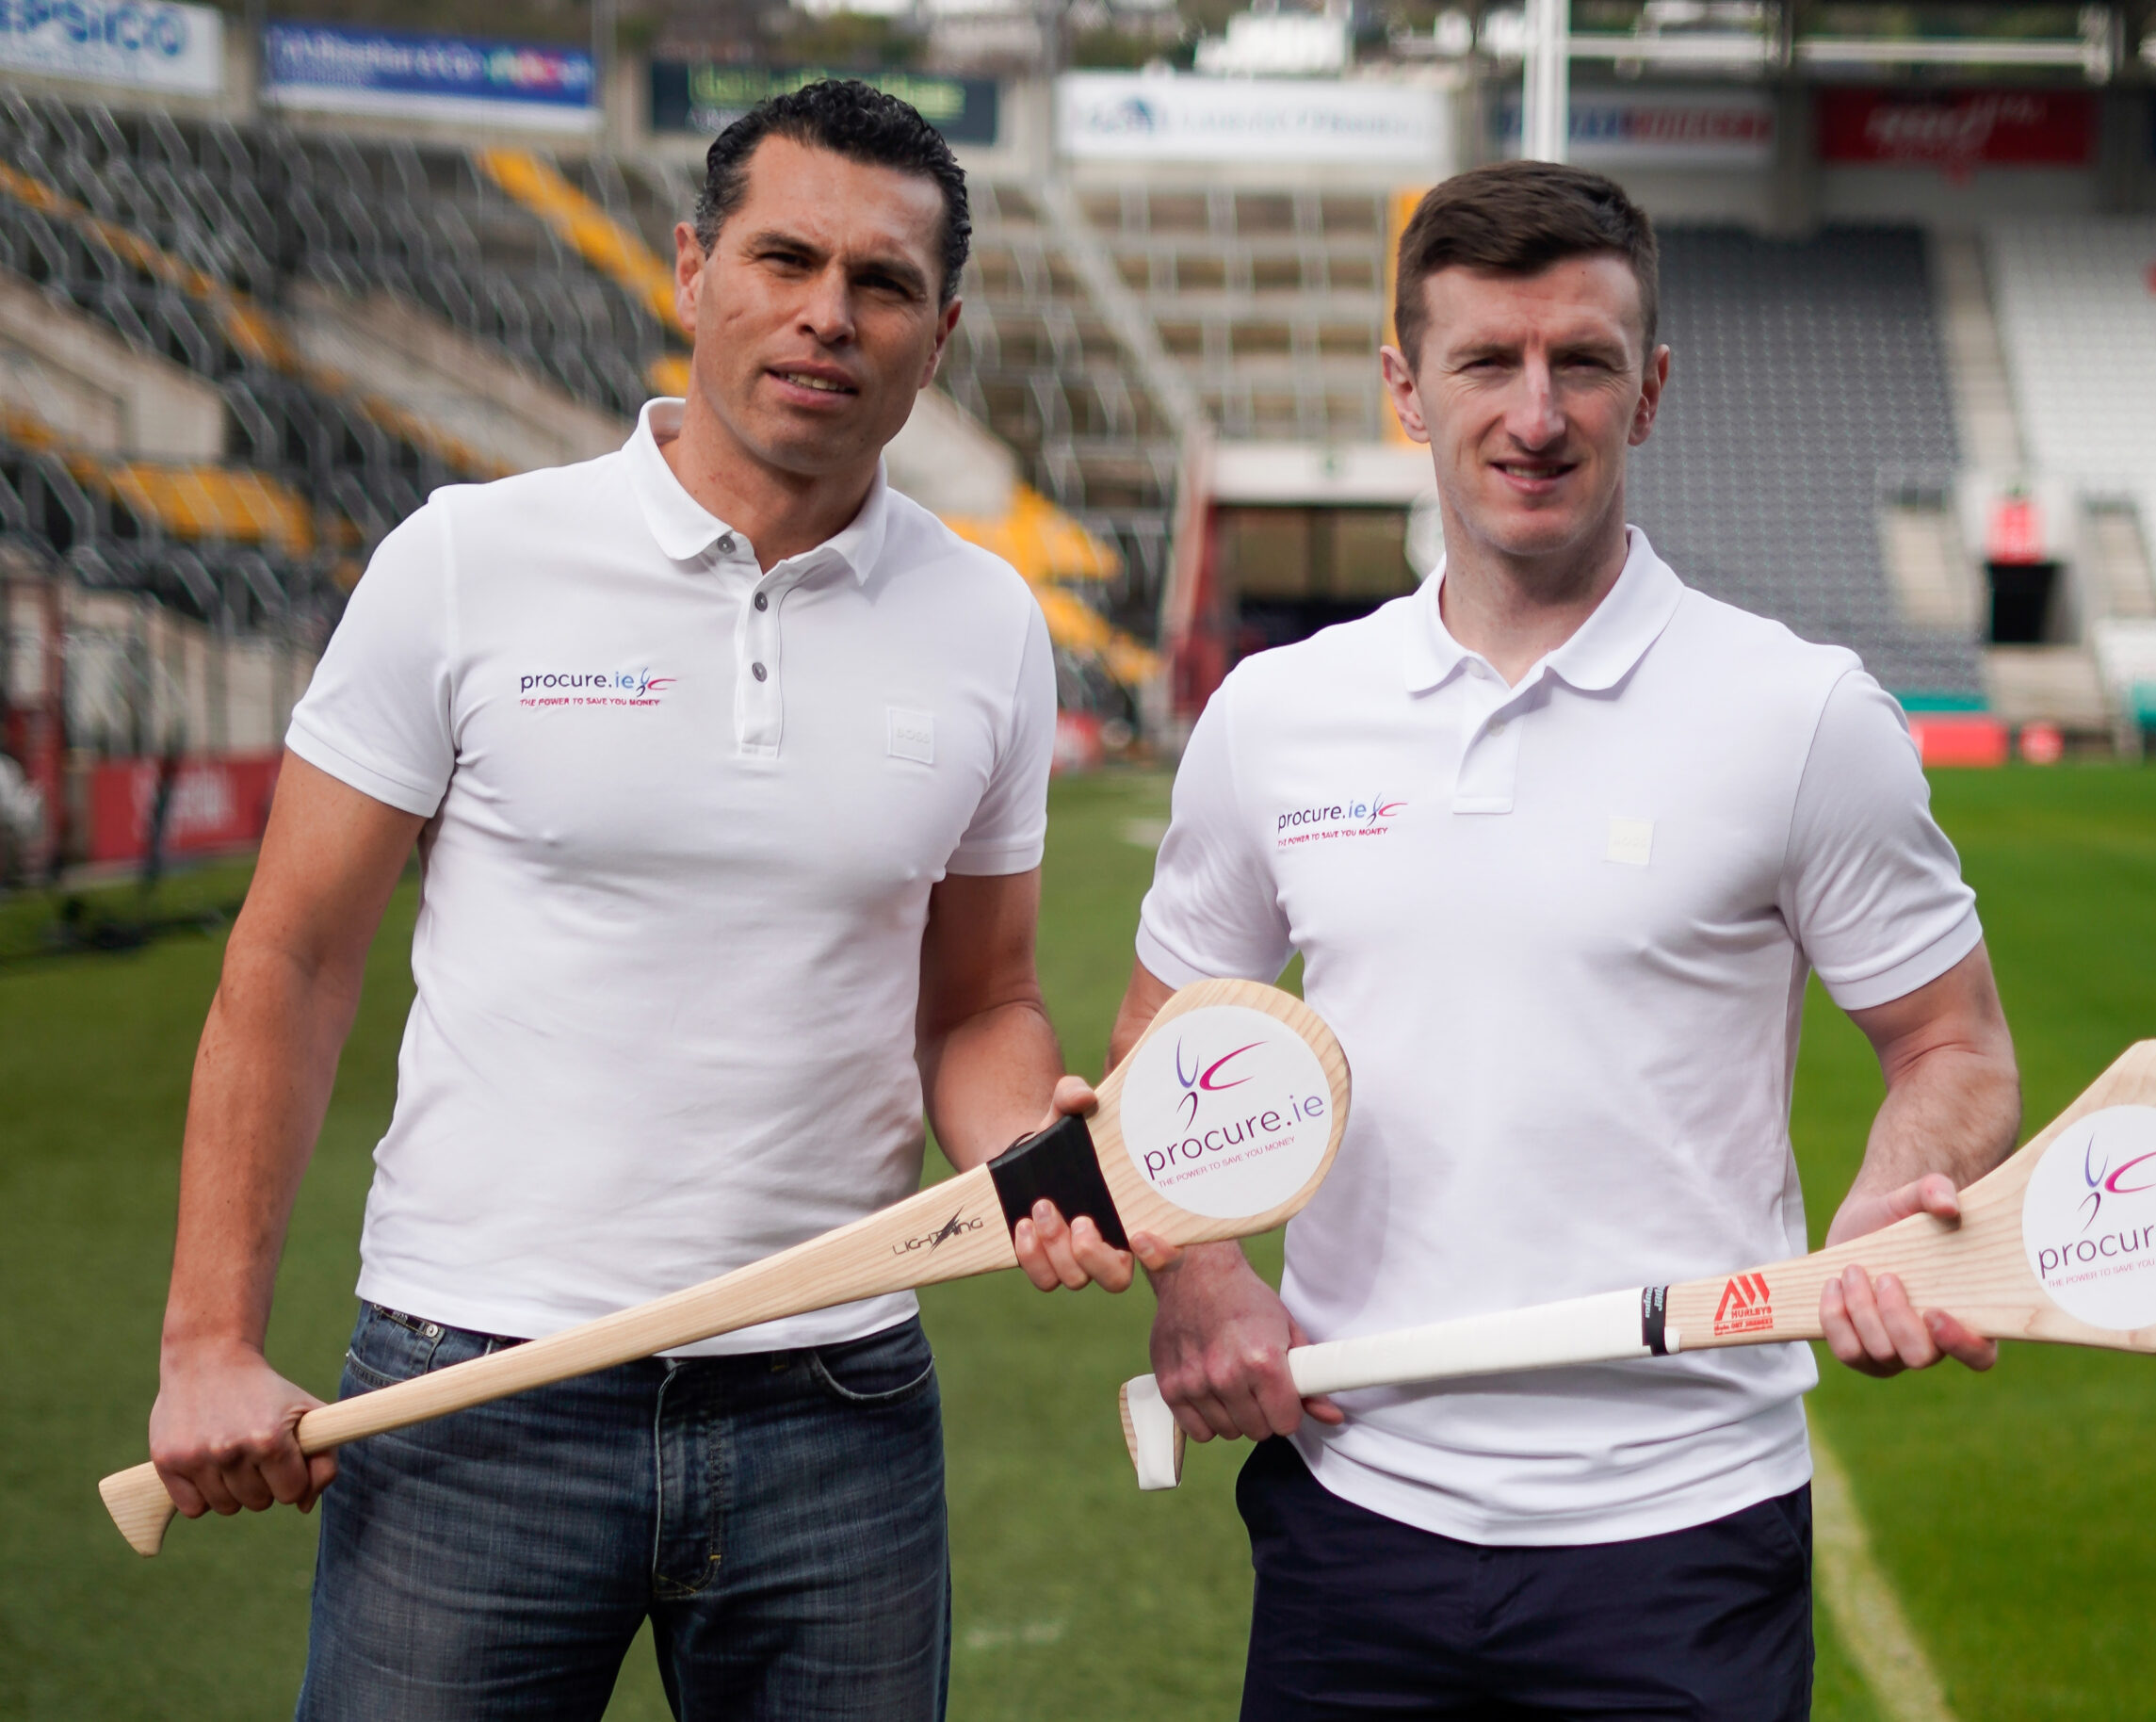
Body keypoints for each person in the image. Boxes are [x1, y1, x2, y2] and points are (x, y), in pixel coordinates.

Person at [145, 82, 1129, 1719]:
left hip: (833, 1401)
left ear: (940, 334)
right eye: (785, 259)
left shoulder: (989, 622)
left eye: (882, 284)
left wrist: (1030, 1152)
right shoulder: (467, 559)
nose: (829, 315)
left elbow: (980, 1000)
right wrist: (205, 1341)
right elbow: (295, 958)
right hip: (476, 1383)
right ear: (691, 269)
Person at [1117, 161, 2020, 1718]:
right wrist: (1196, 1273)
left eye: (1581, 363)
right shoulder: (1278, 716)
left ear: (1648, 390)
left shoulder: (1799, 713)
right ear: (1407, 388)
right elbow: (1158, 1045)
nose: (1534, 415)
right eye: (1486, 361)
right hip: (1355, 1503)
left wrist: (1893, 1197)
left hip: (1685, 1527)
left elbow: (1954, 1045)